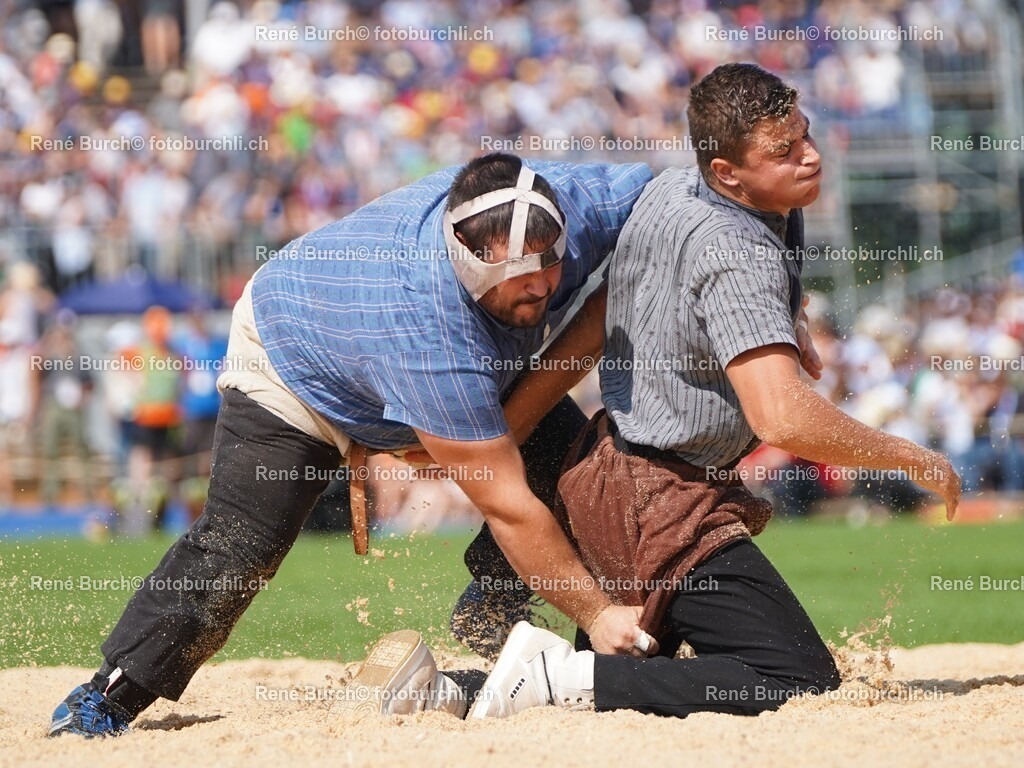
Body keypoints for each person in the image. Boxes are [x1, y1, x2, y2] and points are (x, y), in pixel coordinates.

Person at [359, 64, 962, 720]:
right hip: (661, 505)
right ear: (727, 171)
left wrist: (786, 317)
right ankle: (550, 672)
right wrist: (906, 455)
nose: (810, 156)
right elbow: (781, 416)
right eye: (784, 150)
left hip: (614, 480)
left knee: (622, 681)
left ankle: (452, 691)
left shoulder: (678, 187)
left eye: (806, 135)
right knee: (797, 677)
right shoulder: (735, 250)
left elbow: (601, 318)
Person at [48, 153, 654, 736]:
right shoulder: (426, 326)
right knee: (244, 543)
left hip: (420, 346)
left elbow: (671, 195)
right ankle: (110, 695)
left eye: (551, 266)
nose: (542, 288)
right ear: (465, 258)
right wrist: (597, 614)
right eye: (519, 279)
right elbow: (507, 505)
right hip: (294, 358)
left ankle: (493, 606)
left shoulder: (581, 204)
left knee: (578, 463)